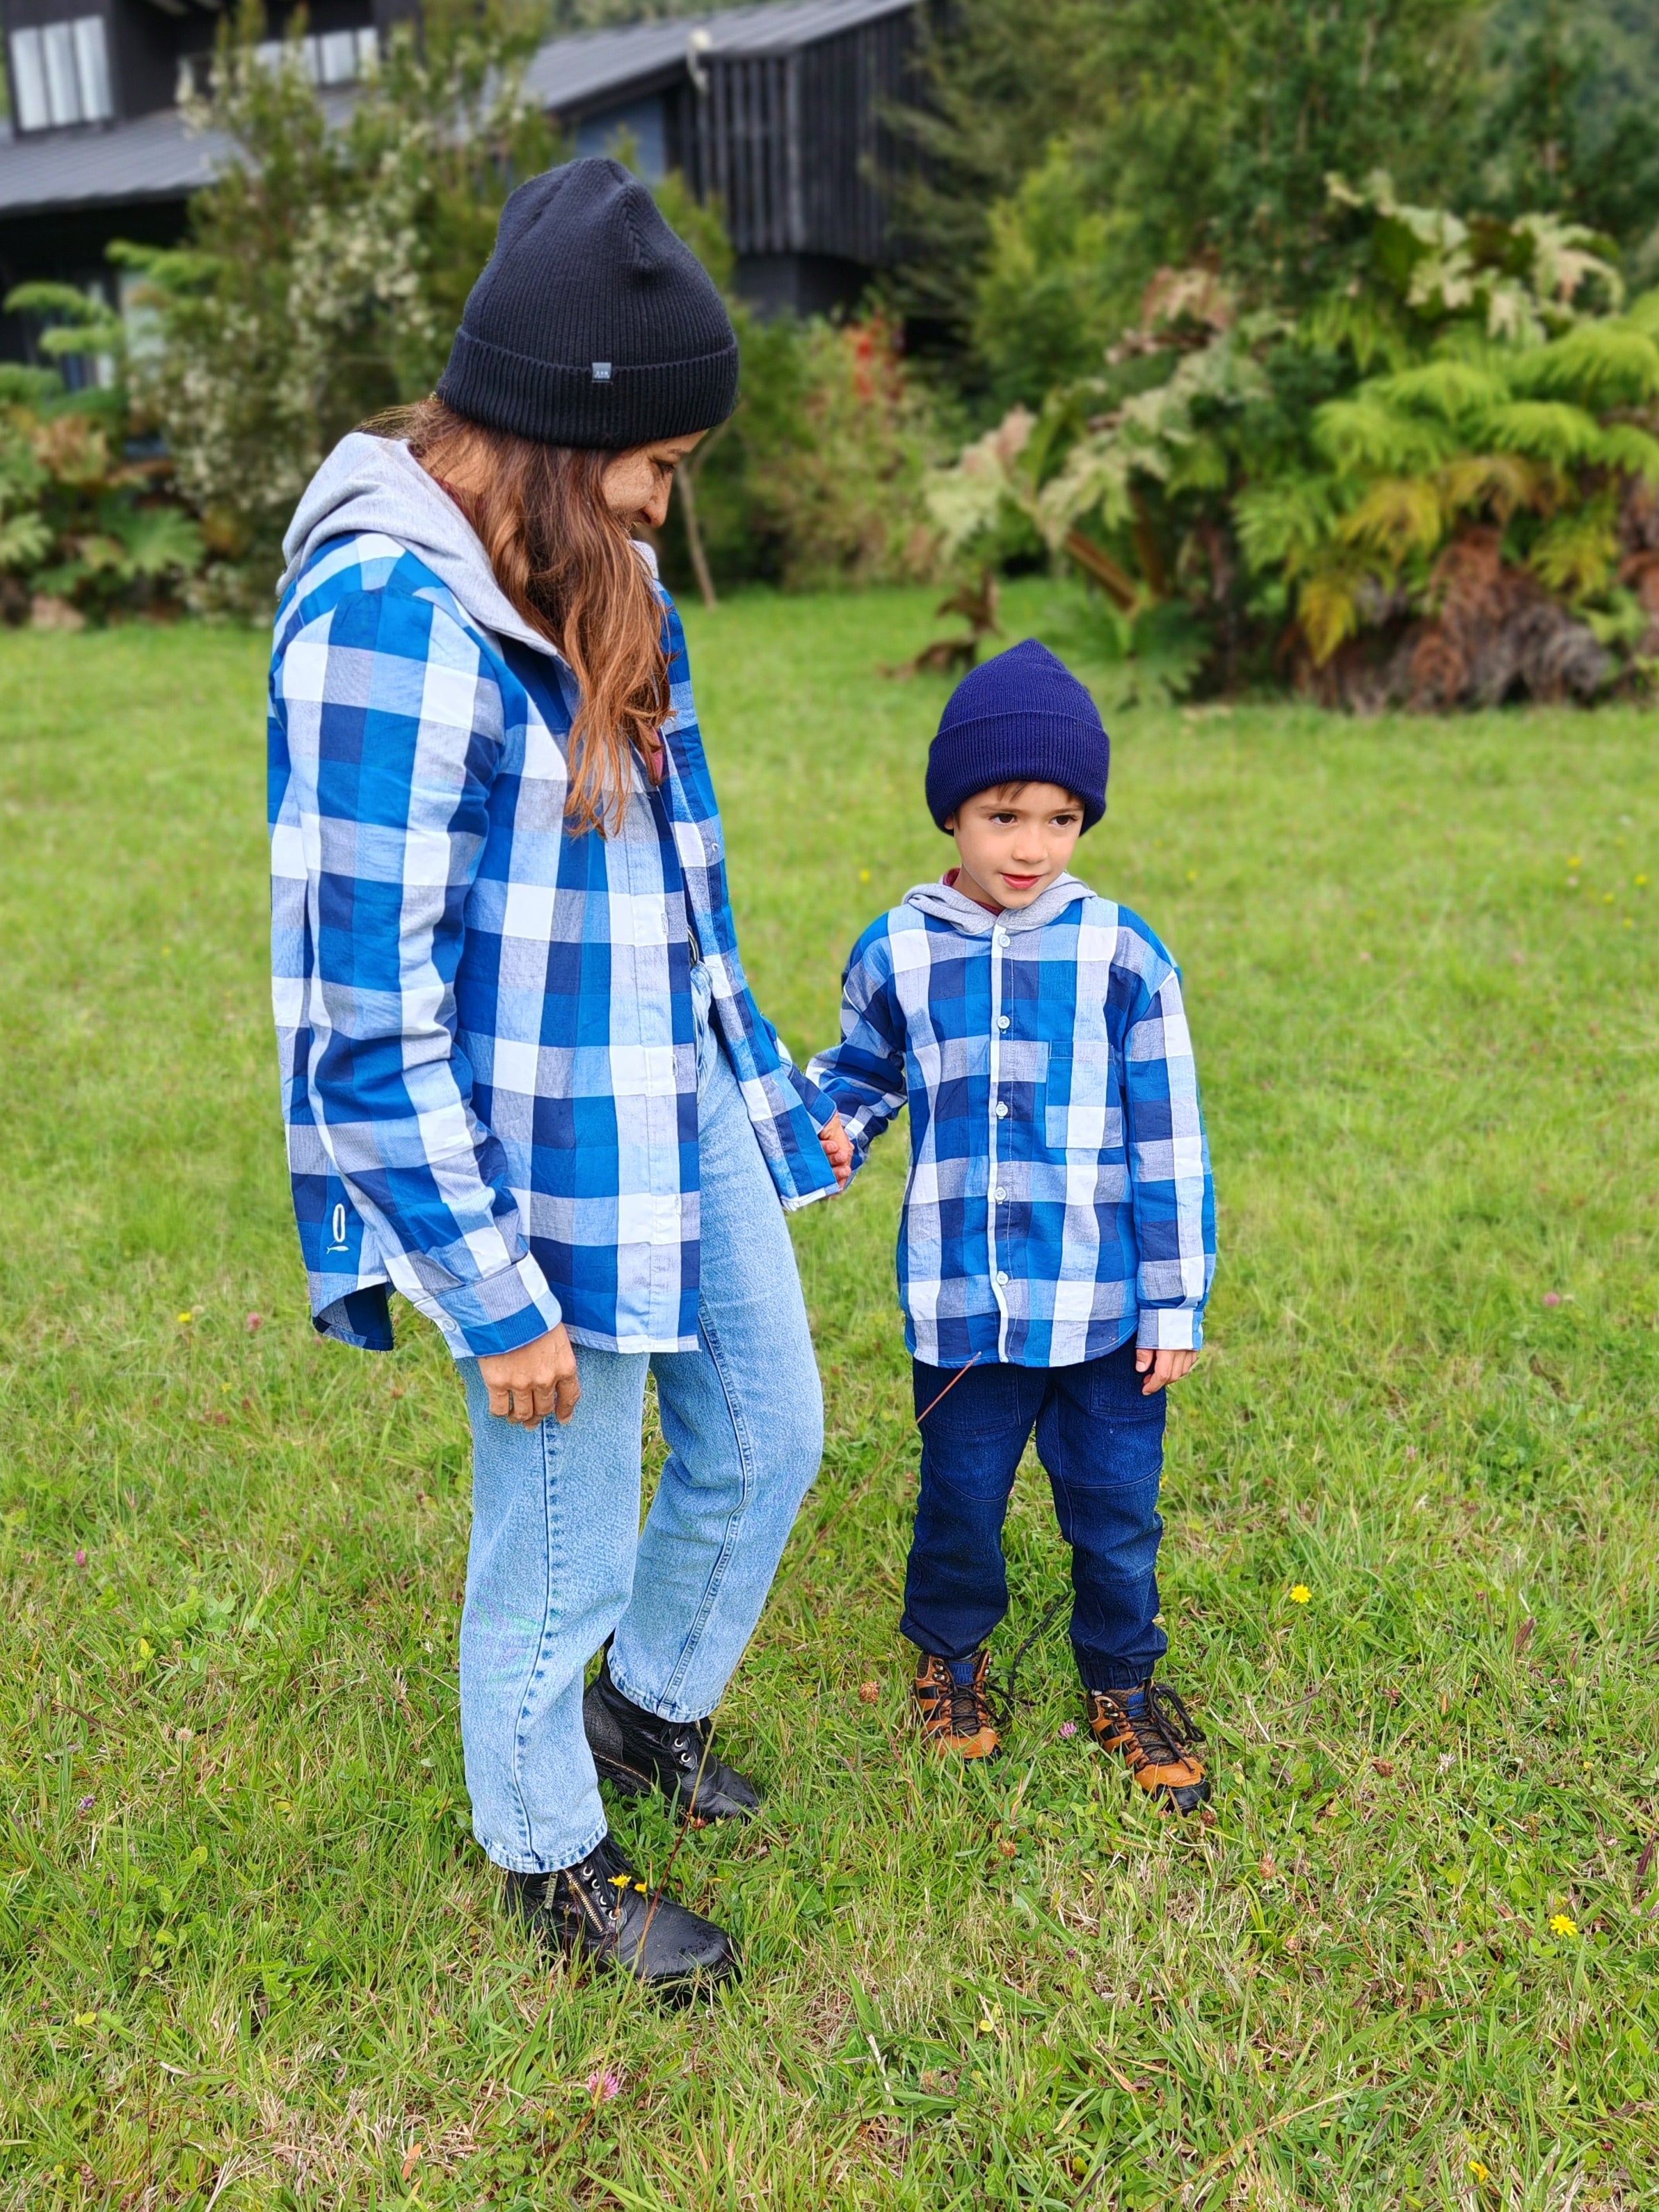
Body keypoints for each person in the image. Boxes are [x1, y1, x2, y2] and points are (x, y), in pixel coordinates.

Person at [268, 157, 853, 1992]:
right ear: (547, 432)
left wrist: (763, 1085)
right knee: (562, 1525)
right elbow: (358, 1019)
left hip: (660, 1091)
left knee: (769, 1430)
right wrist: (488, 1287)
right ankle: (550, 1852)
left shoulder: (604, 585)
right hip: (524, 1162)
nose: (669, 510)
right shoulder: (389, 619)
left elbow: (680, 885)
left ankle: (644, 1707)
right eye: (657, 468)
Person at [807, 640, 1217, 1812]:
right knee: (960, 1503)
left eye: (1059, 817)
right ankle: (949, 1657)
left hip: (1103, 1315)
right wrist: (828, 1126)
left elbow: (1169, 1139)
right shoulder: (896, 949)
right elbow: (861, 1074)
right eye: (1002, 815)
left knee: (1116, 1515)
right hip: (965, 1310)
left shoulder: (1122, 954)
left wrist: (1173, 1300)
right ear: (953, 814)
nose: (1031, 846)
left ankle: (1122, 1683)